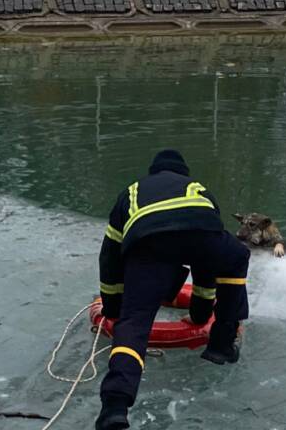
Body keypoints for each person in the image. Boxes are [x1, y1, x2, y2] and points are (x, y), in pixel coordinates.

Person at [96, 149, 251, 430]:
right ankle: (221, 345)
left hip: (149, 246)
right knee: (236, 257)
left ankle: (114, 408)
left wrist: (114, 308)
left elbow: (110, 256)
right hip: (200, 235)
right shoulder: (197, 188)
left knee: (135, 323)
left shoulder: (132, 191)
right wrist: (202, 312)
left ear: (153, 171)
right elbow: (207, 261)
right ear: (184, 172)